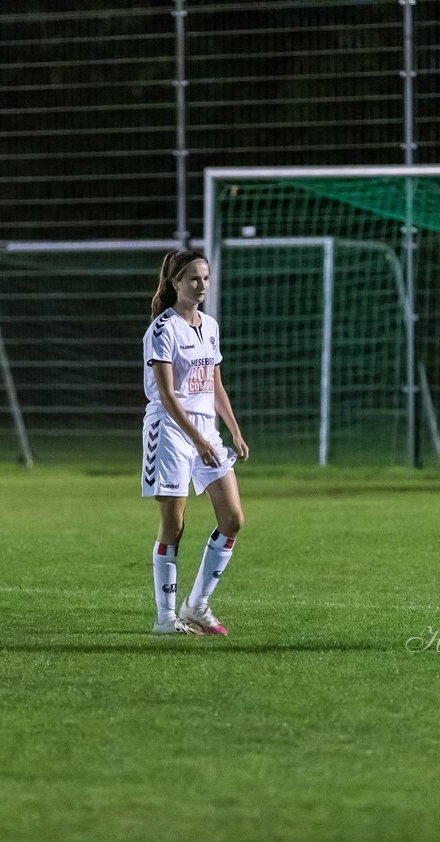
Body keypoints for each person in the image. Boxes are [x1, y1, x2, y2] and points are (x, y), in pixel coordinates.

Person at [142, 250, 248, 635]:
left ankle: (196, 605)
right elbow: (168, 395)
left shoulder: (210, 325)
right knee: (174, 526)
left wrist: (233, 429)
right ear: (175, 284)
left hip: (206, 432)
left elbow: (215, 383)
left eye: (205, 278)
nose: (202, 286)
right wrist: (198, 439)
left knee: (233, 519)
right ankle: (165, 619)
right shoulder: (162, 329)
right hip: (169, 432)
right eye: (193, 279)